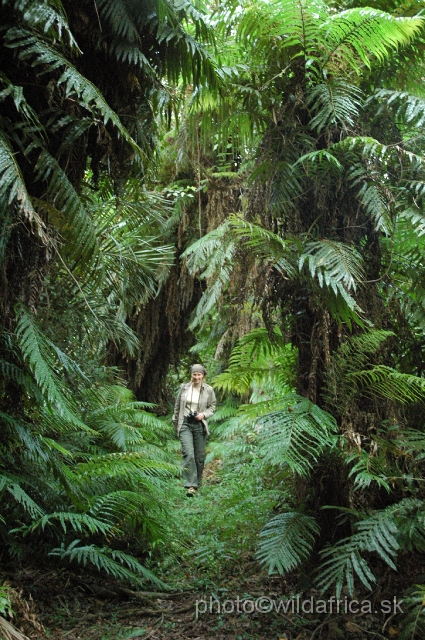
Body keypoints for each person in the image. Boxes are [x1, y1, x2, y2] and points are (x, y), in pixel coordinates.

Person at [172, 364, 216, 496]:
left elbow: (212, 407)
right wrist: (176, 423)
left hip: (199, 424)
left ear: (203, 376)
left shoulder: (208, 390)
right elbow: (177, 406)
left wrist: (203, 415)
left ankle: (197, 482)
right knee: (188, 453)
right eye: (194, 374)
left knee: (199, 456)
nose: (196, 377)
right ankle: (190, 485)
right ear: (191, 375)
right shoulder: (184, 388)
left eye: (199, 375)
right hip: (185, 423)